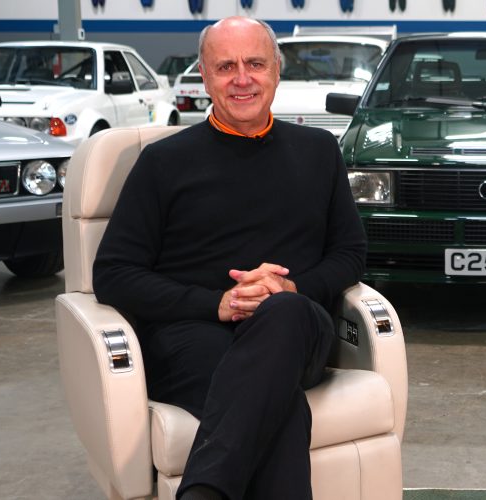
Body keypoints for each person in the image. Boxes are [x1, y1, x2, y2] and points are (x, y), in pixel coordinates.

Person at [91, 16, 366, 500]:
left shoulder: (319, 151)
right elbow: (113, 273)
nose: (242, 79)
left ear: (276, 70)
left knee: (284, 312)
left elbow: (350, 253)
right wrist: (217, 303)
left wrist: (292, 288)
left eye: (255, 64)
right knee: (280, 408)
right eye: (226, 67)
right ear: (204, 76)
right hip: (193, 338)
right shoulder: (163, 162)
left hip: (298, 329)